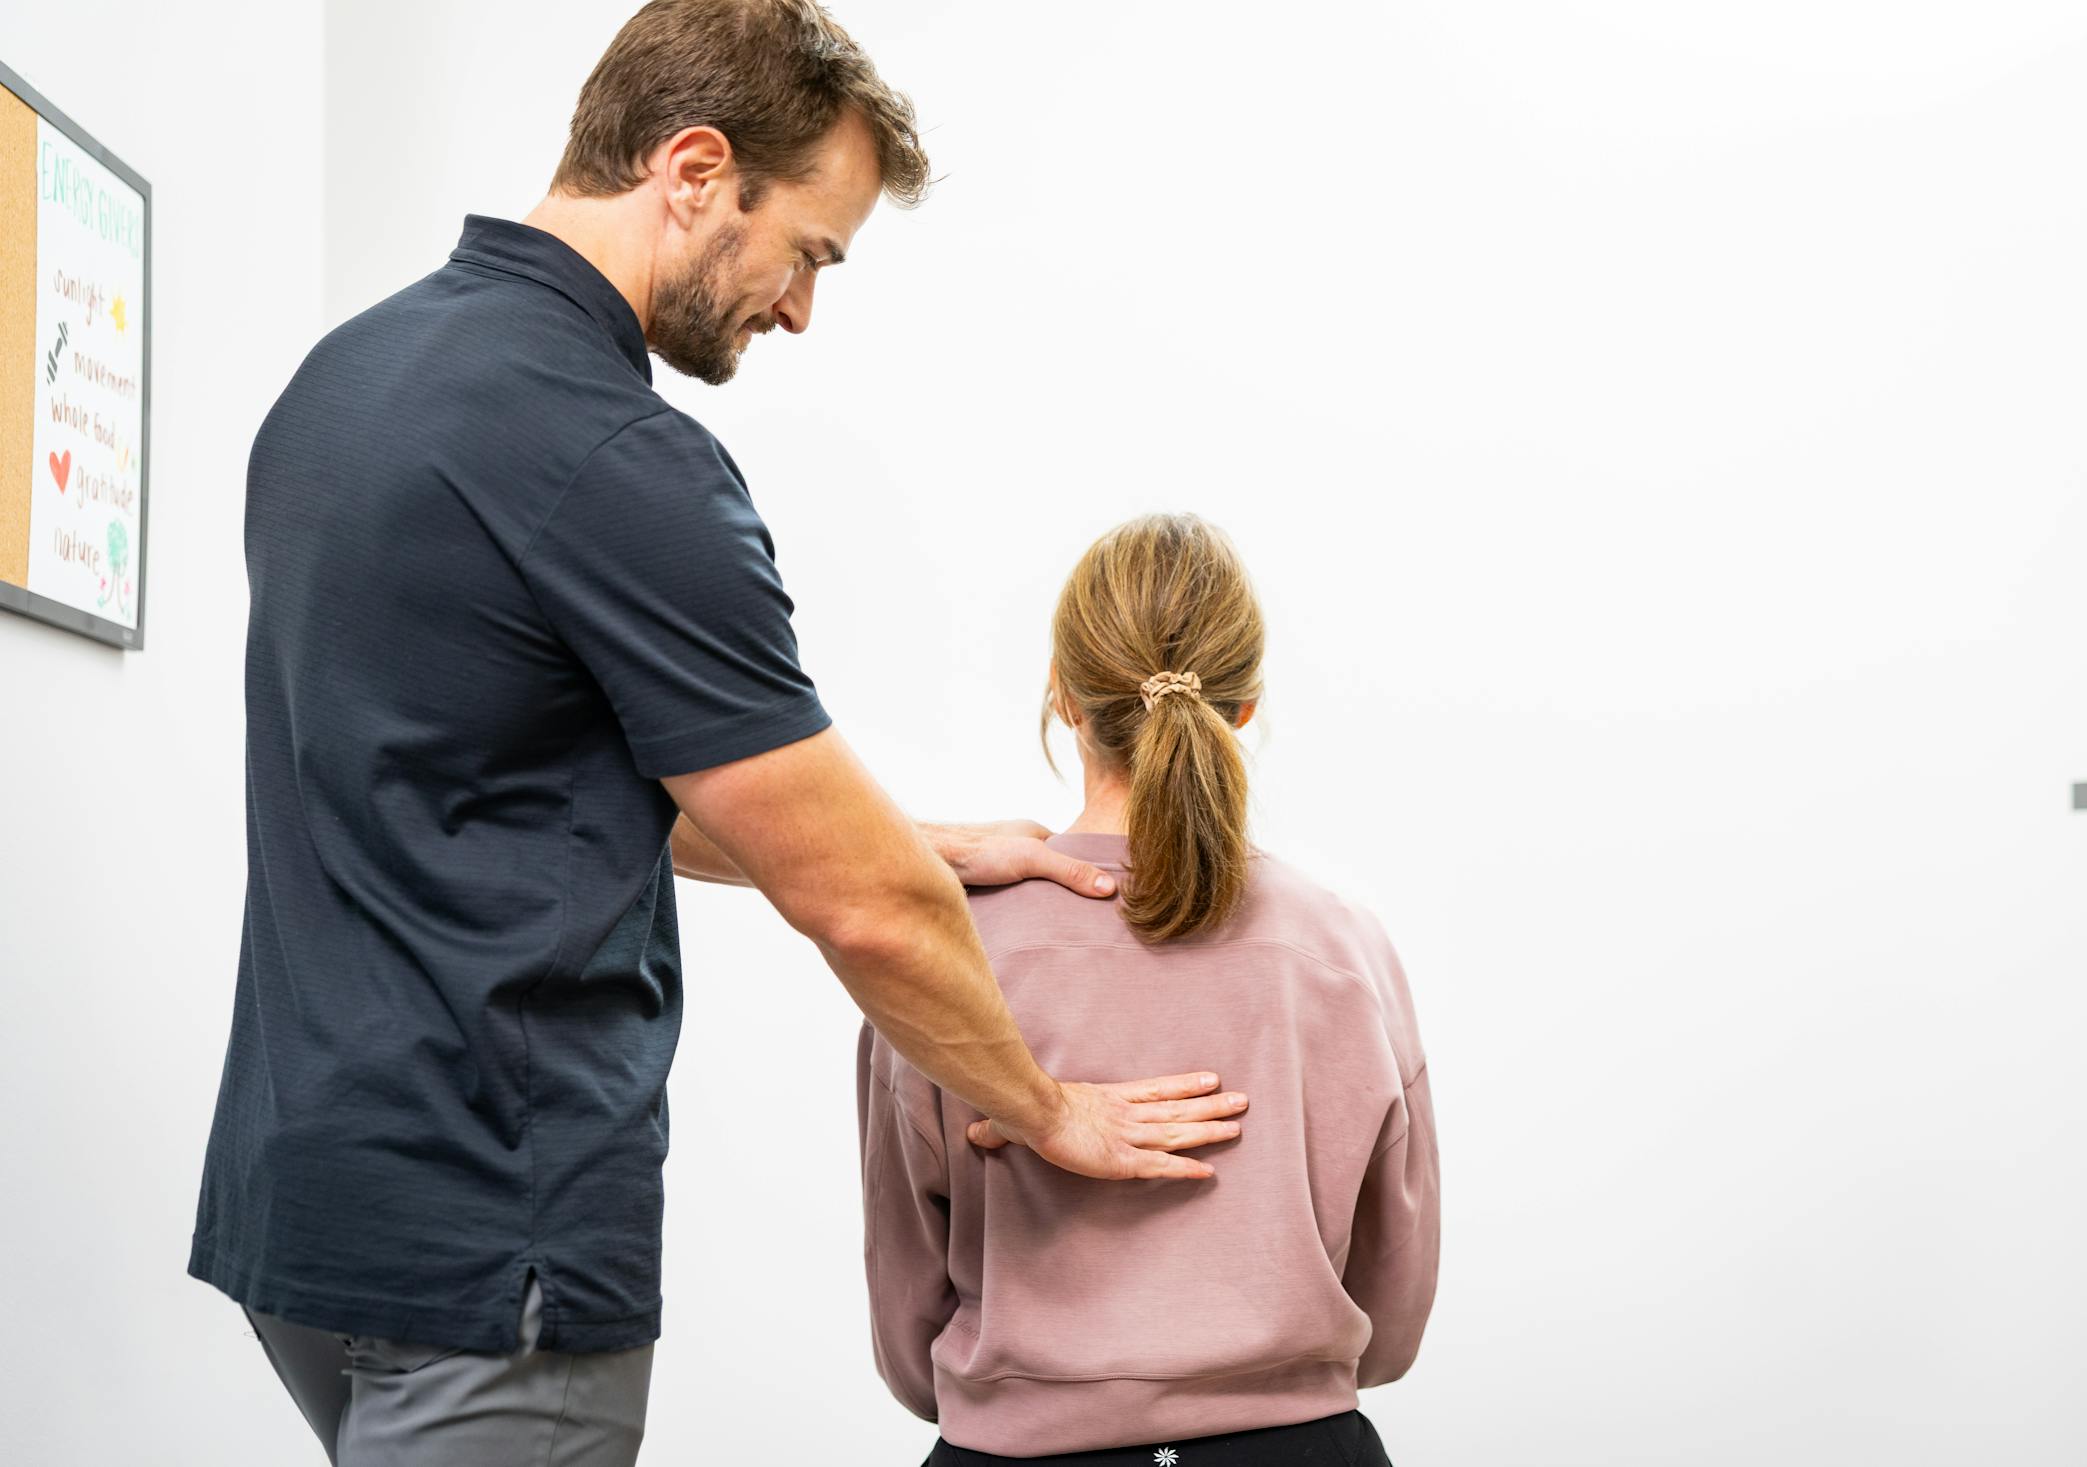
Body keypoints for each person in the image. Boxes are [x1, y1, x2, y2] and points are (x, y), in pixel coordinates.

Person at [187, 5, 1246, 1463]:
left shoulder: (343, 384)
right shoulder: (618, 457)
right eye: (810, 251)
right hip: (497, 1243)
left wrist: (931, 835)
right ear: (695, 169)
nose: (802, 308)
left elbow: (514, 779)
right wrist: (1049, 1106)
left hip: (301, 1209)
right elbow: (864, 908)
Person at [858, 514, 1440, 1465]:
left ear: (1063, 698)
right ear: (1244, 706)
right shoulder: (1343, 948)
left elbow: (907, 1298)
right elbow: (1396, 1309)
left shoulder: (951, 948)